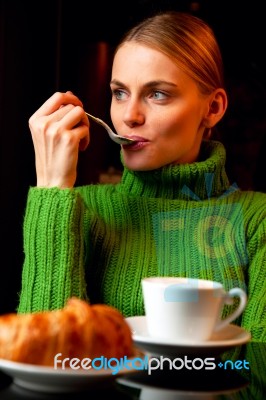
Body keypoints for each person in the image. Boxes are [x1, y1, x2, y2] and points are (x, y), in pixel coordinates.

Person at [17, 11, 266, 342]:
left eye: (157, 94)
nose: (129, 116)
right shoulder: (80, 209)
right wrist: (51, 191)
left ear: (214, 108)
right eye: (119, 93)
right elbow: (45, 354)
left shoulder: (256, 220)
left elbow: (258, 380)